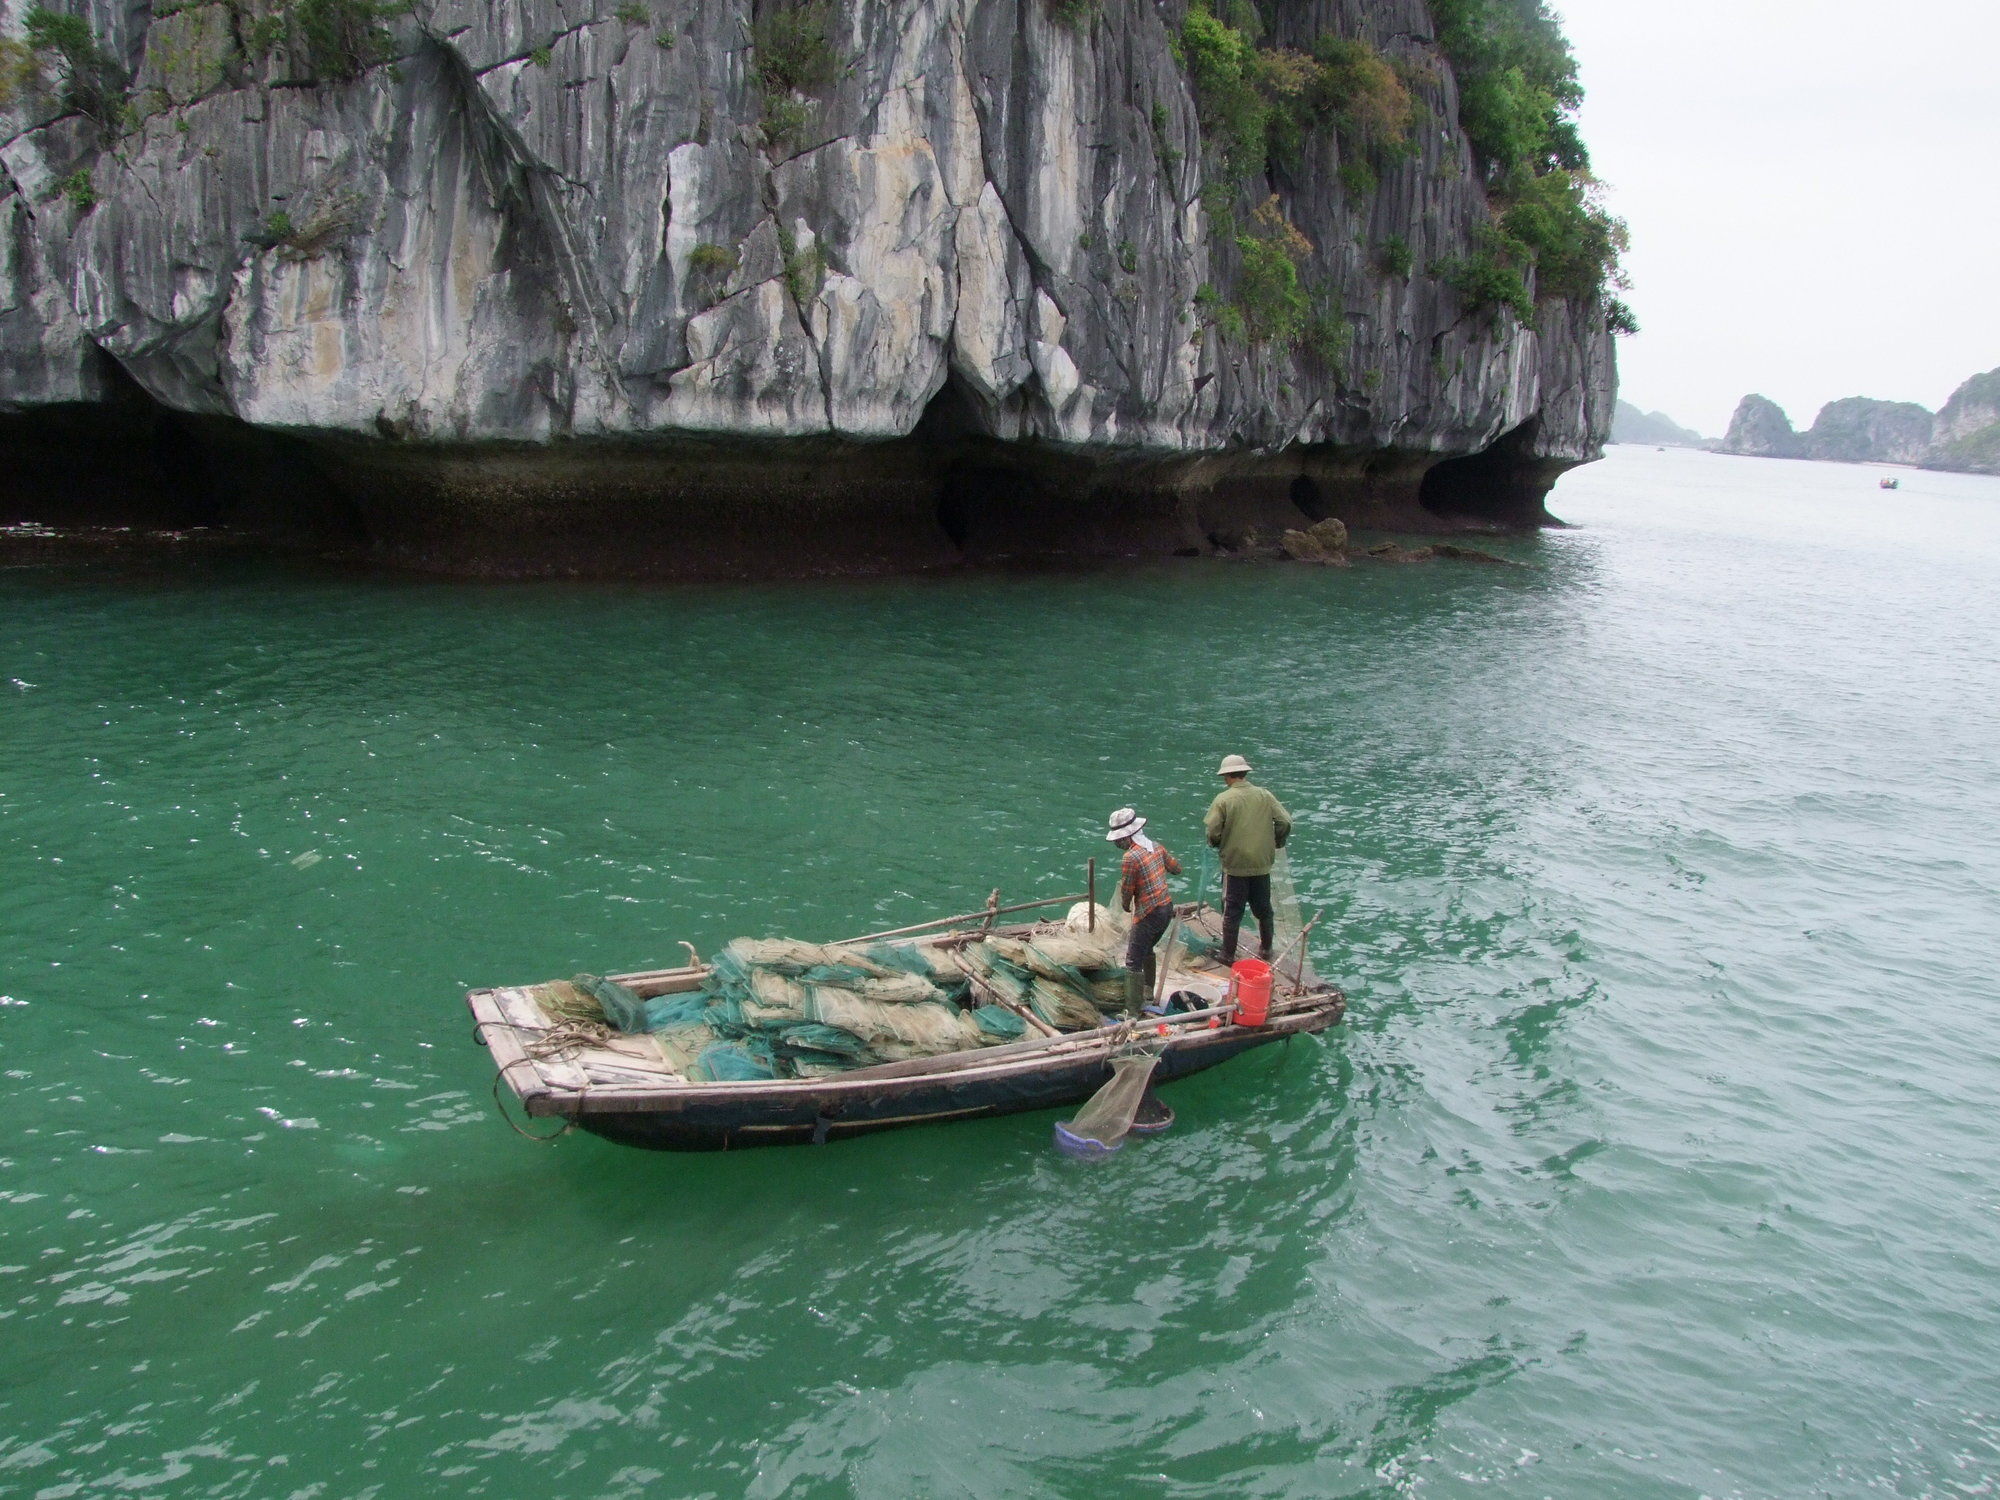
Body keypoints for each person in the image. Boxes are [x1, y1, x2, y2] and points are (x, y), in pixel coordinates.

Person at [1204, 754, 1292, 963]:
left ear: (1227, 776)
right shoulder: (1265, 795)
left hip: (1235, 866)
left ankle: (1227, 954)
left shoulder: (1223, 799)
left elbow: (1212, 830)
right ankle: (1266, 949)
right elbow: (1285, 821)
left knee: (1232, 911)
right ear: (1244, 773)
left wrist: (1216, 842)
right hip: (1261, 864)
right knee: (1263, 909)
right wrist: (1277, 841)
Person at [1107, 807, 1181, 1016]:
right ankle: (1148, 993)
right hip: (1166, 908)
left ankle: (1132, 1012)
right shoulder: (1155, 847)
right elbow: (1176, 868)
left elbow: (1127, 888)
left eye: (1119, 839)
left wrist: (1125, 905)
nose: (1117, 843)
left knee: (1133, 961)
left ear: (1127, 836)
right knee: (1147, 949)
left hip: (1148, 913)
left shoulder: (1130, 857)